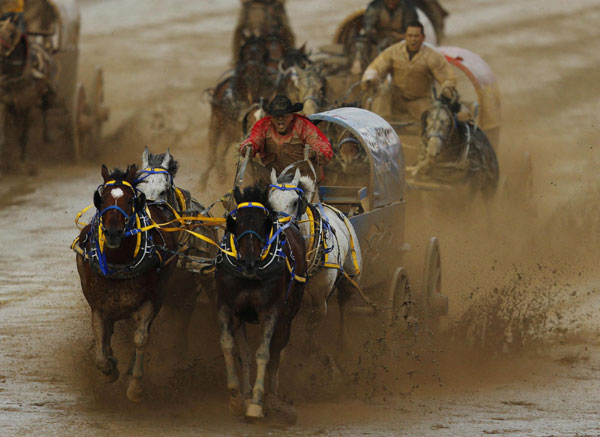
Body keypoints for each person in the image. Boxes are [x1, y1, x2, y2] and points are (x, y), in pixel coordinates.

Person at [361, 20, 457, 122]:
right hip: (395, 97)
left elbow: (448, 77)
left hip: (419, 100)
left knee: (434, 122)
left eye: (416, 36)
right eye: (410, 36)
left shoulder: (433, 56)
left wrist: (447, 89)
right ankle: (381, 126)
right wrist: (369, 78)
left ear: (423, 37)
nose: (413, 39)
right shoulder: (393, 51)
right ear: (405, 37)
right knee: (382, 90)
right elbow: (376, 67)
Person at [239, 95, 332, 180]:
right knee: (246, 167)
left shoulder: (304, 126)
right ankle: (244, 198)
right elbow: (253, 141)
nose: (280, 119)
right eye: (276, 115)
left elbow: (325, 150)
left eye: (284, 115)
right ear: (271, 117)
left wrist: (314, 154)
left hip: (303, 179)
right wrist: (248, 148)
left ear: (291, 116)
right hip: (272, 177)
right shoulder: (263, 126)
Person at [232, 0, 295, 64]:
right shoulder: (248, 6)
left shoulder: (277, 5)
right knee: (238, 33)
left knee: (289, 34)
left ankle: (291, 57)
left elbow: (284, 26)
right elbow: (240, 28)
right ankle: (236, 60)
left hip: (273, 35)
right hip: (254, 37)